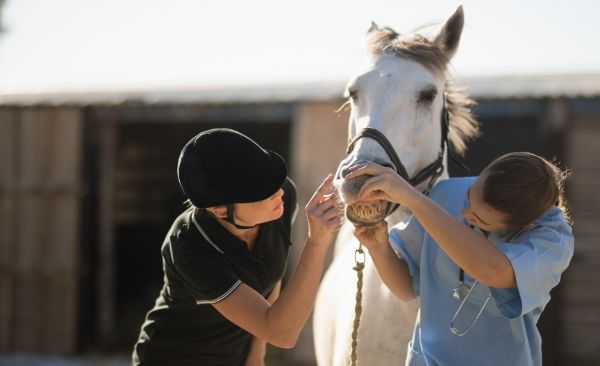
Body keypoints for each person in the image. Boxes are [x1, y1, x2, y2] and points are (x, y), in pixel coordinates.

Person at [132, 128, 339, 366]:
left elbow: (271, 276)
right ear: (220, 210)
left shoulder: (281, 201)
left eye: (273, 180)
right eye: (262, 192)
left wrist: (255, 356)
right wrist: (316, 243)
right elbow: (281, 333)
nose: (278, 192)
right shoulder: (189, 246)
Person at [349, 152, 574, 366]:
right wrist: (379, 247)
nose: (465, 213)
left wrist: (414, 200)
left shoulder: (552, 240)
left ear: (523, 226)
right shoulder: (445, 193)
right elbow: (405, 289)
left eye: (478, 218)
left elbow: (494, 270)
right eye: (468, 198)